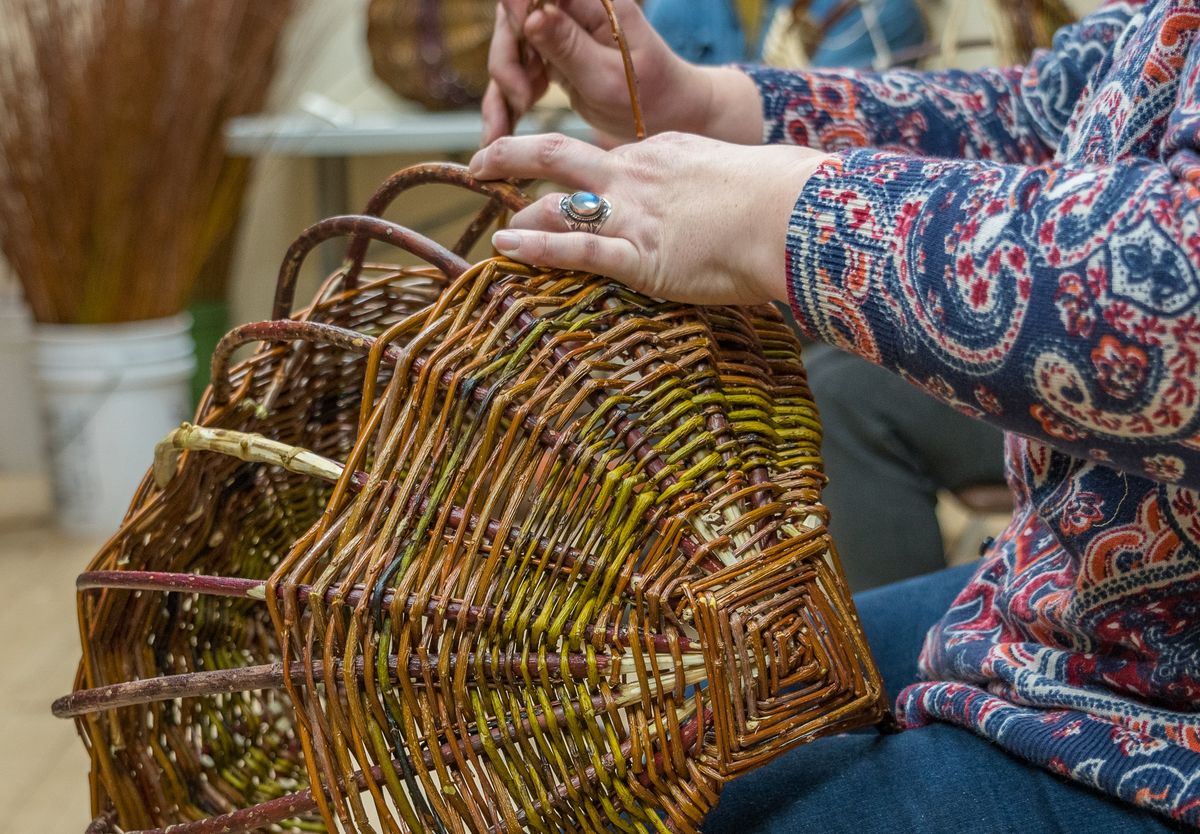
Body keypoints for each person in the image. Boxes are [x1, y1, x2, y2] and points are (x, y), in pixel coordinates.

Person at [471, 0, 1200, 830]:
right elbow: (1046, 118)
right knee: (639, 741)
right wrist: (710, 109)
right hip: (1067, 609)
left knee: (684, 806)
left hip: (1160, 727)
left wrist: (774, 212)